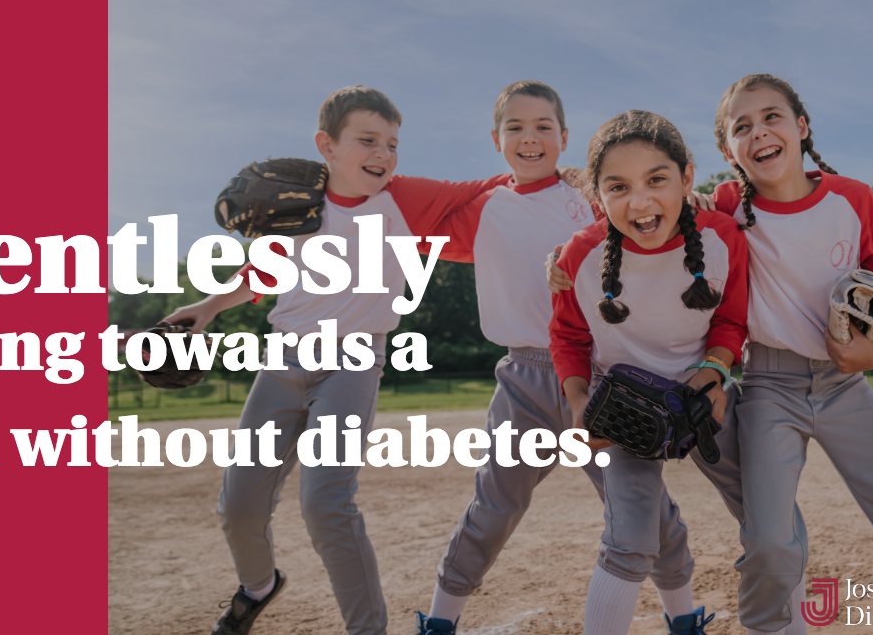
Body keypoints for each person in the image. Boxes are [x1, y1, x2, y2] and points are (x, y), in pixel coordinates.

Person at [166, 85, 488, 635]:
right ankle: (259, 586)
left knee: (326, 503)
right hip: (283, 361)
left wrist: (577, 182)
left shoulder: (405, 198)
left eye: (391, 143)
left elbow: (489, 188)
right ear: (327, 145)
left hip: (353, 362)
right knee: (238, 502)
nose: (383, 154)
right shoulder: (295, 205)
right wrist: (210, 306)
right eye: (367, 140)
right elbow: (264, 274)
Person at [402, 82, 699, 635]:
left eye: (543, 127)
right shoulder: (482, 209)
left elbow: (649, 222)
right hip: (522, 378)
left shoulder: (589, 196)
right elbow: (399, 216)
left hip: (600, 373)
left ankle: (684, 617)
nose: (530, 138)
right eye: (515, 127)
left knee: (645, 506)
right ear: (496, 139)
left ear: (564, 138)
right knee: (493, 507)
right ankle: (440, 621)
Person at [708, 72, 873, 633]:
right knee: (769, 540)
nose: (759, 133)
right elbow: (644, 216)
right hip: (768, 387)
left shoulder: (852, 198)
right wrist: (568, 251)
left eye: (772, 117)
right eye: (741, 127)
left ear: (801, 127)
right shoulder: (727, 206)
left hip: (844, 383)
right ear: (728, 149)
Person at [549, 110, 747, 635]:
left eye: (657, 179)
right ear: (598, 196)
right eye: (618, 187)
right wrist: (576, 404)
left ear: (686, 177)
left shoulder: (723, 237)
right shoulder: (581, 255)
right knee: (631, 540)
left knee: (767, 522)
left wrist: (716, 369)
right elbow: (568, 337)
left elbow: (731, 318)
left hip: (702, 396)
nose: (639, 202)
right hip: (623, 413)